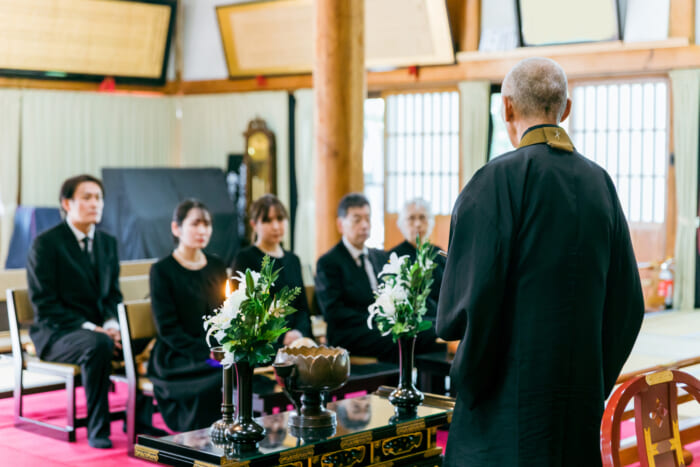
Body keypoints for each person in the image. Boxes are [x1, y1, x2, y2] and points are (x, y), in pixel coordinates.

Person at [436, 57, 644, 466]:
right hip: (577, 408)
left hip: (505, 411)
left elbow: (462, 309)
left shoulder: (494, 182)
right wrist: (590, 378)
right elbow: (629, 305)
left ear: (506, 107)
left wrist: (472, 380)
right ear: (565, 110)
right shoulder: (599, 183)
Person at [26, 174, 123, 449]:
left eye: (99, 198)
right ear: (67, 203)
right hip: (57, 333)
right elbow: (45, 305)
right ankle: (98, 428)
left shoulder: (108, 243)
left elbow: (112, 295)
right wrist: (95, 329)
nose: (96, 204)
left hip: (99, 331)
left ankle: (139, 418)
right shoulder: (46, 244)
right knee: (99, 344)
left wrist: (112, 323)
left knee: (141, 334)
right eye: (87, 197)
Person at [316, 193, 443, 362]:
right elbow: (333, 312)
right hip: (351, 332)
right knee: (411, 334)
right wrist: (381, 318)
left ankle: (424, 382)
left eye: (367, 219)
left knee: (433, 325)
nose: (364, 225)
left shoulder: (380, 257)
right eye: (357, 220)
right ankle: (406, 384)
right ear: (341, 225)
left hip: (381, 326)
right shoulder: (329, 262)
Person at [148, 199, 227, 432]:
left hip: (215, 349)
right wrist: (210, 353)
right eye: (195, 224)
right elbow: (167, 328)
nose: (202, 230)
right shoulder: (162, 270)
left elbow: (224, 316)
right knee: (219, 374)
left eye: (207, 224)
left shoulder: (216, 266)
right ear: (176, 228)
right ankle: (203, 437)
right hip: (178, 354)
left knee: (241, 367)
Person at [232, 194, 312, 346]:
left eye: (280, 219)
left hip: (297, 341)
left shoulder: (293, 260)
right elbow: (244, 312)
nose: (276, 226)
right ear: (254, 224)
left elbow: (302, 308)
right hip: (263, 345)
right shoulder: (245, 258)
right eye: (267, 221)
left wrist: (298, 333)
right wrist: (281, 338)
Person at [389, 198, 445, 318]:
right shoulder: (394, 256)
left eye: (422, 217)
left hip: (441, 320)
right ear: (401, 224)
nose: (418, 224)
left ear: (431, 221)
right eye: (411, 218)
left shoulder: (439, 254)